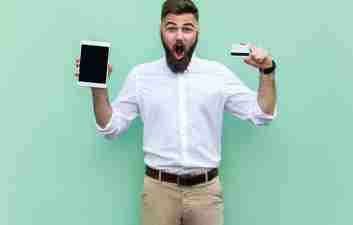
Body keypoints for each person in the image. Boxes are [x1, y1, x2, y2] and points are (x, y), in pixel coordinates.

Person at [75, 0, 277, 224]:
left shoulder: (218, 75)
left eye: (187, 29)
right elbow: (110, 128)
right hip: (158, 192)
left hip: (206, 193)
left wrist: (267, 70)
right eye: (172, 28)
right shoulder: (141, 76)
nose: (179, 37)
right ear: (161, 31)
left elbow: (262, 114)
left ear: (197, 32)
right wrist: (98, 87)